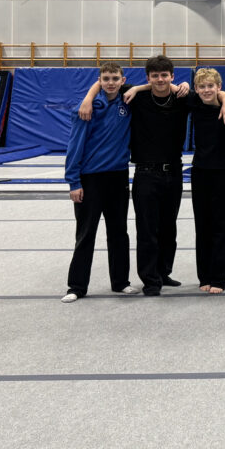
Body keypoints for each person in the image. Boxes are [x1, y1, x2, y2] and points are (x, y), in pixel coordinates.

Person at [80, 55, 225, 296]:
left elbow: (213, 93)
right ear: (148, 77)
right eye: (155, 76)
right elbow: (106, 82)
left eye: (164, 75)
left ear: (172, 76)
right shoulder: (136, 96)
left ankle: (163, 272)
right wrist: (88, 98)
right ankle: (150, 280)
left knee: (168, 228)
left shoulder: (183, 98)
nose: (160, 79)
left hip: (174, 172)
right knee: (147, 229)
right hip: (146, 173)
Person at [61, 63, 138, 302]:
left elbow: (155, 86)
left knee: (119, 232)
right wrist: (73, 182)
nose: (111, 83)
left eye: (115, 78)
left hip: (118, 177)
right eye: (106, 79)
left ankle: (121, 282)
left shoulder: (129, 102)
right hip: (90, 178)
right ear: (99, 81)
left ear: (123, 80)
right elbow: (75, 145)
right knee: (86, 234)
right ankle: (76, 287)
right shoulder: (87, 108)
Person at [184, 68, 225, 294]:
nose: (206, 90)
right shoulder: (194, 102)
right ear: (196, 89)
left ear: (219, 87)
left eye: (211, 86)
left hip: (224, 173)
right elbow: (163, 86)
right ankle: (204, 276)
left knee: (222, 225)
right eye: (202, 86)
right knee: (202, 225)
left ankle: (219, 278)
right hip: (200, 172)